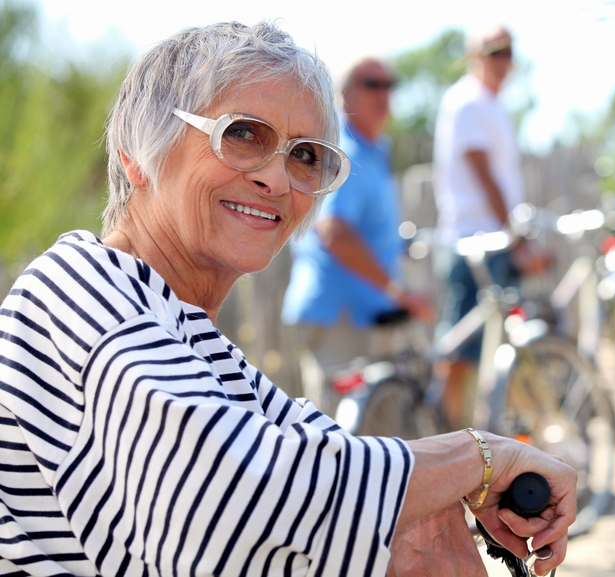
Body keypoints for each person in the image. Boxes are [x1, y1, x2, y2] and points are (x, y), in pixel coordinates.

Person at [0, 21, 576, 577]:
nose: (278, 180)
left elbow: (311, 458)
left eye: (305, 155)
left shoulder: (191, 338)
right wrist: (476, 458)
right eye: (244, 133)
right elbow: (230, 498)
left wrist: (441, 495)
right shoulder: (82, 288)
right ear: (136, 150)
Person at [283, 56, 434, 417]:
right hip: (343, 320)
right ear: (345, 94)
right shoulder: (345, 152)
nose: (384, 93)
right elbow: (333, 232)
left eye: (389, 85)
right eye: (372, 84)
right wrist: (399, 292)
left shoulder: (372, 149)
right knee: (338, 449)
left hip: (365, 317)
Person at [432, 24, 550, 427]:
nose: (501, 59)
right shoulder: (468, 101)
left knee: (495, 348)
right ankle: (443, 438)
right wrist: (517, 241)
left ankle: (486, 440)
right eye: (493, 51)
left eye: (507, 52)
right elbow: (484, 177)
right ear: (473, 56)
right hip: (473, 242)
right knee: (459, 356)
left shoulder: (491, 105)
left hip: (494, 240)